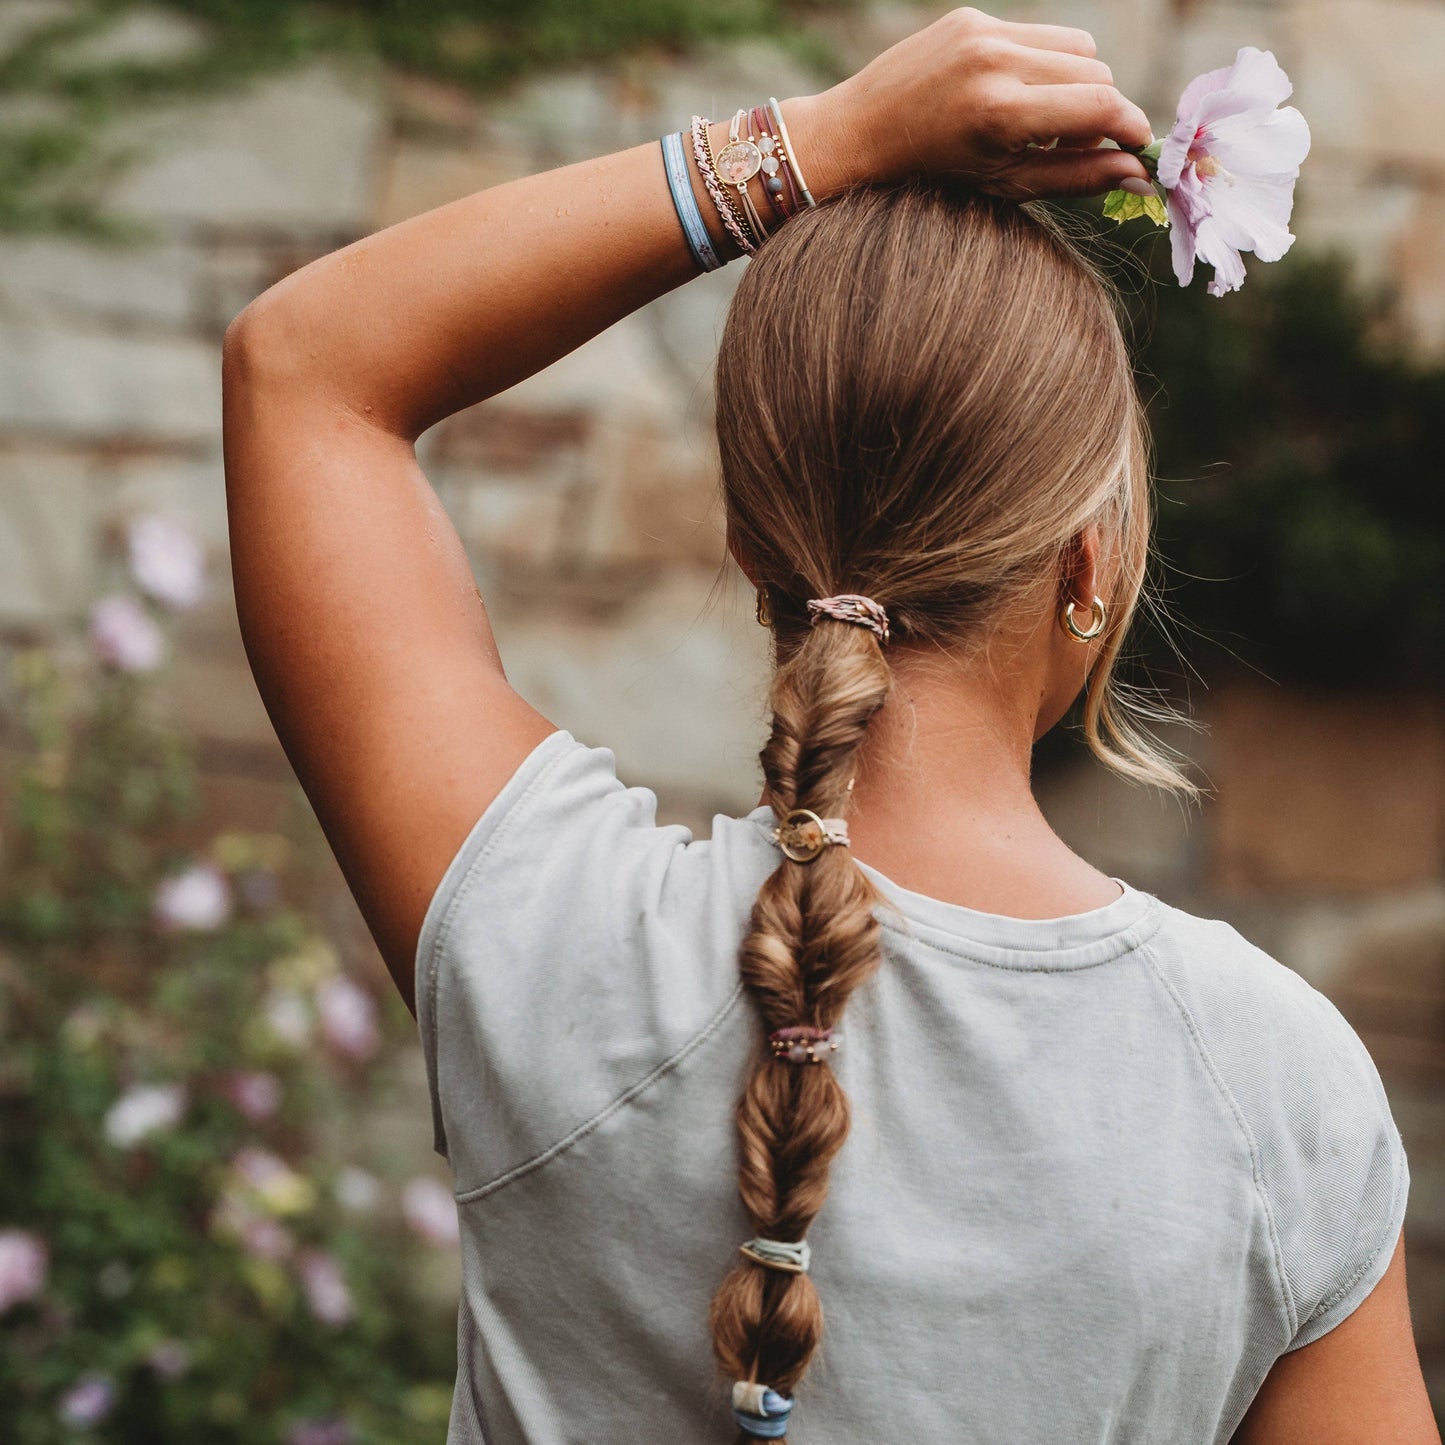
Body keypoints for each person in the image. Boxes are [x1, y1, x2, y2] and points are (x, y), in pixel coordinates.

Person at [221, 8, 1438, 1442]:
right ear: (1088, 566)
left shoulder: (549, 941)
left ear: (749, 545)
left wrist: (824, 140)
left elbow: (300, 368)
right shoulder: (1272, 1090)